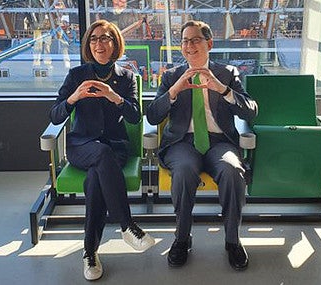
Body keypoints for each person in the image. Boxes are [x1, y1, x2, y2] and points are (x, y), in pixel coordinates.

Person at [146, 20, 258, 271]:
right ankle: (182, 238)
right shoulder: (171, 76)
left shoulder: (227, 73)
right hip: (182, 143)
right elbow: (152, 116)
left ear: (209, 43)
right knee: (184, 170)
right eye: (184, 41)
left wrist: (223, 90)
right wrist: (174, 91)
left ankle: (232, 240)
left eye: (195, 40)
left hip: (219, 142)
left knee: (232, 171)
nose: (189, 46)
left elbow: (251, 112)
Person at [50, 19, 155, 281]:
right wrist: (74, 98)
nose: (99, 43)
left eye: (105, 38)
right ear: (88, 45)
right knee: (100, 155)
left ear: (115, 43)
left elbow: (134, 117)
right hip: (81, 146)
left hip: (114, 148)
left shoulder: (126, 77)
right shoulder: (76, 75)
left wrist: (114, 96)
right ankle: (127, 226)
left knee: (97, 178)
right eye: (94, 39)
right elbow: (54, 115)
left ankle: (89, 253)